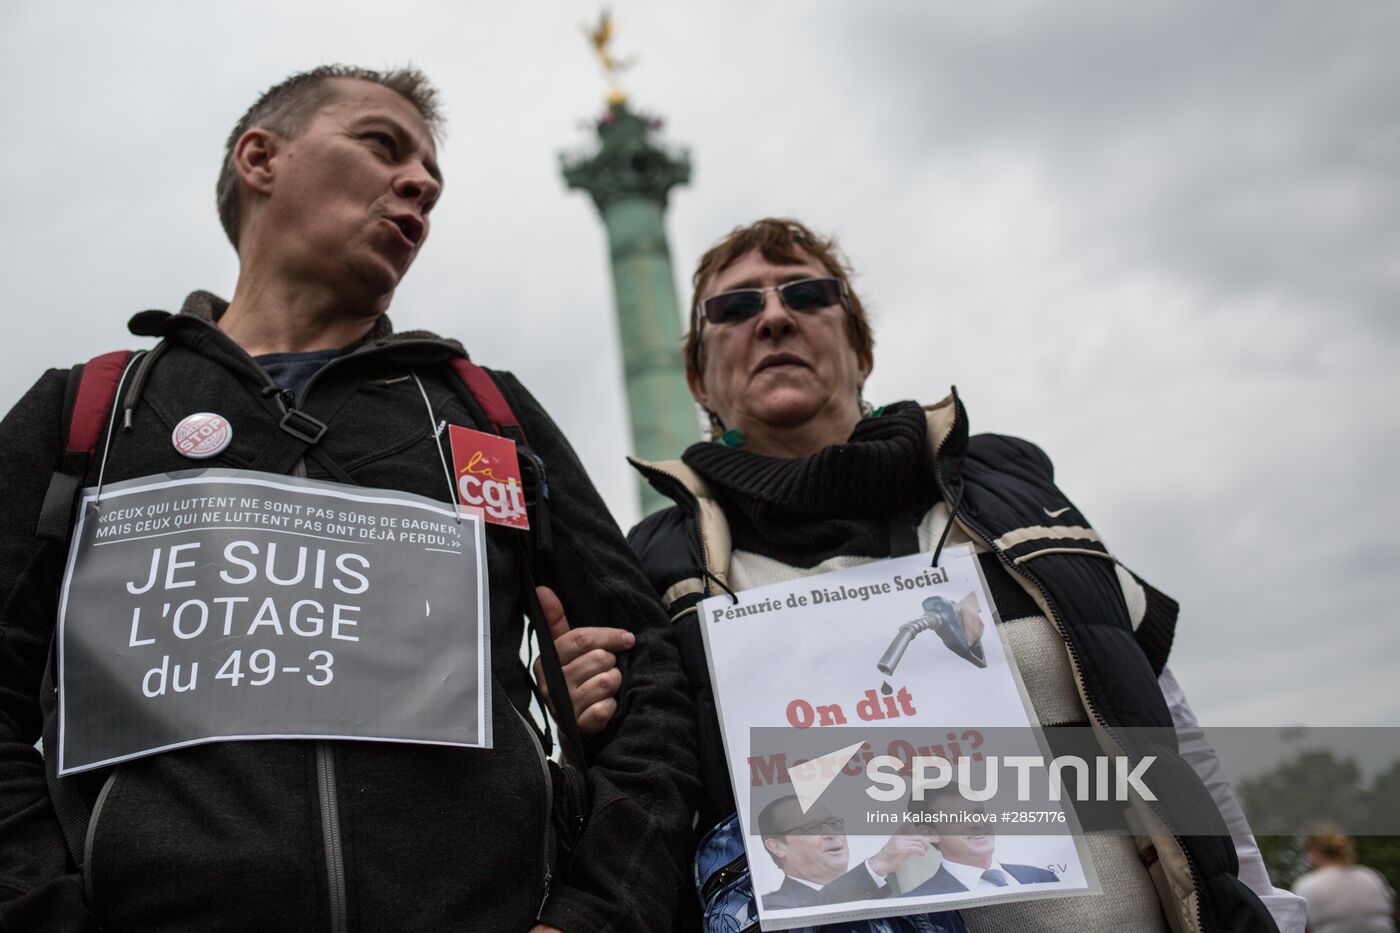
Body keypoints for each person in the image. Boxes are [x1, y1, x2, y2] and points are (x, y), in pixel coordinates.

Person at [0, 65, 696, 932]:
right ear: (260, 158)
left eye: (432, 178)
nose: (420, 184)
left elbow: (655, 680)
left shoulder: (488, 414)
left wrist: (596, 915)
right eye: (381, 145)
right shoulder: (92, 413)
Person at [625, 217, 1306, 931]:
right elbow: (646, 808)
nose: (772, 317)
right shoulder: (658, 570)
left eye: (806, 293)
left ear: (861, 350)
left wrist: (1267, 912)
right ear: (699, 378)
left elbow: (1162, 726)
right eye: (734, 307)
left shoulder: (1012, 498)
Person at [756, 796, 931, 909]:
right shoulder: (771, 908)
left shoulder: (885, 890)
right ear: (777, 847)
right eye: (812, 827)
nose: (832, 833)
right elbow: (813, 915)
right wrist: (876, 866)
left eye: (834, 823)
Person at [901, 790, 1058, 896]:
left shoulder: (1042, 876)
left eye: (978, 813)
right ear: (931, 833)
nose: (977, 823)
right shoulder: (919, 901)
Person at [1292, 830, 1395, 932]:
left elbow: (1300, 926)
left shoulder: (1306, 885)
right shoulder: (1371, 875)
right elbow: (1391, 910)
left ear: (1314, 852)